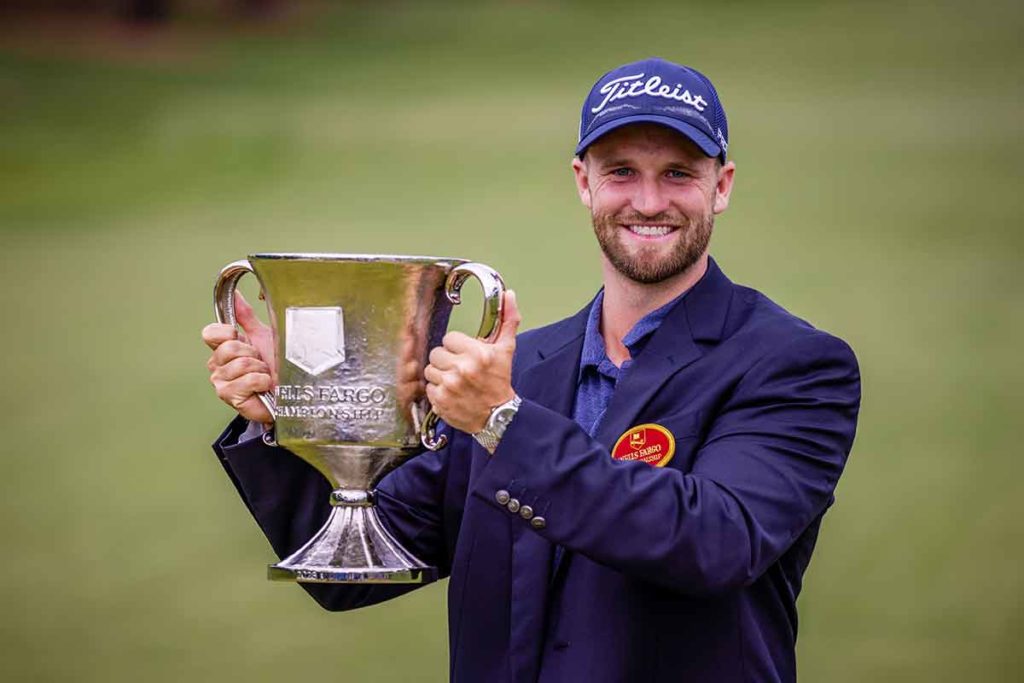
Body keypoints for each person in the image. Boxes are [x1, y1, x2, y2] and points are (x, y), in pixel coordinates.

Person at [202, 57, 861, 682]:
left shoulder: (795, 366)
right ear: (584, 181)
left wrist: (503, 423)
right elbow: (350, 569)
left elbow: (717, 541)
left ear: (722, 186)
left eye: (680, 173)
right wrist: (286, 415)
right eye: (622, 171)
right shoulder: (518, 369)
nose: (650, 200)